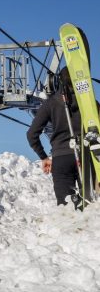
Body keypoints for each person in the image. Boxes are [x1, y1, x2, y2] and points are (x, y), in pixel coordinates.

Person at [27, 67, 94, 206]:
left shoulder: (50, 103)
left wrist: (44, 157)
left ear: (57, 81)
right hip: (86, 158)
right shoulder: (90, 103)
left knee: (66, 209)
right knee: (90, 207)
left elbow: (32, 134)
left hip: (61, 159)